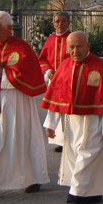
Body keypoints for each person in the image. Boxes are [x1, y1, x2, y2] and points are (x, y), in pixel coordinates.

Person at [42, 32, 103, 204]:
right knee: (75, 158)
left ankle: (76, 197)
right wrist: (51, 123)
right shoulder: (64, 67)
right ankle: (93, 192)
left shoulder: (101, 68)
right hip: (71, 122)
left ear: (88, 46)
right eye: (71, 47)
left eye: (79, 46)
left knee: (87, 156)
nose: (75, 51)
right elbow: (56, 96)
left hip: (93, 121)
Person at [0, 11, 49, 201]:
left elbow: (30, 75)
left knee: (22, 139)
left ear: (9, 28)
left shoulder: (22, 48)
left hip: (18, 101)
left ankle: (31, 177)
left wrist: (2, 73)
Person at [38, 11, 71, 152]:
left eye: (63, 21)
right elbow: (43, 59)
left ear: (68, 23)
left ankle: (69, 140)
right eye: (57, 21)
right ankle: (59, 140)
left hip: (69, 81)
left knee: (67, 111)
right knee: (55, 109)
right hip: (53, 80)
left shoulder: (72, 38)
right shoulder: (50, 39)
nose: (60, 24)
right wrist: (48, 70)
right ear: (53, 23)